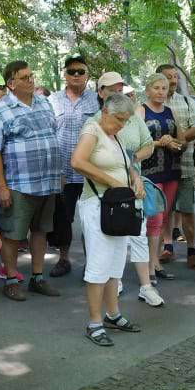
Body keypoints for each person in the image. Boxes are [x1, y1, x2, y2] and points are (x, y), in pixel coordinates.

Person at [72, 93, 145, 346]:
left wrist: (135, 179)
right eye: (118, 119)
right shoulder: (92, 130)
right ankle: (94, 322)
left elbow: (127, 164)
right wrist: (112, 181)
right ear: (105, 112)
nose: (121, 125)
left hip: (117, 206)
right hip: (98, 205)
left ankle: (113, 314)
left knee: (115, 266)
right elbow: (77, 161)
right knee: (98, 267)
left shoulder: (115, 135)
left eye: (126, 121)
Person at [0, 60, 61, 301]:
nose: (31, 80)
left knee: (40, 231)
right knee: (12, 234)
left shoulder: (44, 102)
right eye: (24, 77)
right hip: (19, 184)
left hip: (47, 181)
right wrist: (2, 186)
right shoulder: (1, 109)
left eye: (31, 76)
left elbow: (52, 136)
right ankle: (10, 278)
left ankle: (37, 277)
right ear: (11, 83)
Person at [94, 73, 164, 307]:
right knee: (114, 235)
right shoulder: (96, 121)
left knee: (138, 234)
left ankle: (146, 286)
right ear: (101, 92)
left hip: (135, 183)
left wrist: (133, 159)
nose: (118, 92)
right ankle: (117, 280)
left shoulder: (133, 116)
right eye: (112, 89)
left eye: (120, 88)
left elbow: (148, 144)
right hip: (108, 189)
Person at [47, 54, 99, 278]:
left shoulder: (97, 100)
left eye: (81, 71)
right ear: (65, 75)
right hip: (63, 172)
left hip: (90, 170)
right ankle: (64, 258)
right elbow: (49, 134)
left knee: (92, 218)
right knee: (63, 218)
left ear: (87, 75)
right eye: (71, 72)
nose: (76, 75)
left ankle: (93, 263)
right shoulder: (53, 100)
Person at [155, 64, 195, 269]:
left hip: (186, 165)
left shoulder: (188, 102)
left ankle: (192, 250)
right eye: (168, 77)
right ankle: (167, 248)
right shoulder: (151, 104)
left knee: (187, 209)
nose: (173, 81)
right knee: (165, 210)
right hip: (160, 167)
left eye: (175, 77)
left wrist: (176, 141)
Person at [141, 73, 182, 283]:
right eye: (156, 88)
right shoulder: (141, 110)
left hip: (171, 169)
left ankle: (155, 261)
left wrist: (172, 140)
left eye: (164, 88)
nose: (160, 92)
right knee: (154, 217)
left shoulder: (170, 111)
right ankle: (149, 267)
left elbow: (181, 139)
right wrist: (160, 142)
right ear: (148, 90)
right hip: (150, 171)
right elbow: (137, 142)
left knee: (164, 217)